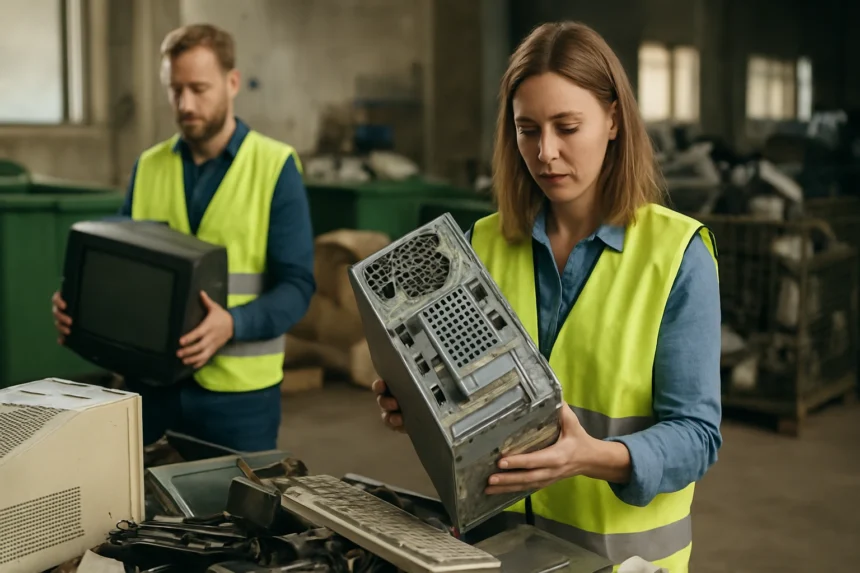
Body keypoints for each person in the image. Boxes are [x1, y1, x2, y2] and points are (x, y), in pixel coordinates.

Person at [373, 21, 721, 572]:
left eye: (567, 126)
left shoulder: (677, 255)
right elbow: (472, 402)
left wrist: (593, 457)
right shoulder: (482, 245)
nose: (547, 152)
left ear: (612, 120)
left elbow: (697, 437)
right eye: (527, 129)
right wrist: (421, 405)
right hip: (493, 554)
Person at [52, 23, 315, 453]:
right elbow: (118, 265)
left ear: (232, 83)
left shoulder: (274, 167)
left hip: (238, 401)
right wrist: (76, 305)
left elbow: (298, 286)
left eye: (199, 88)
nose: (186, 104)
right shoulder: (149, 166)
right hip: (149, 389)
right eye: (175, 90)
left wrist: (233, 323)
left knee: (237, 518)